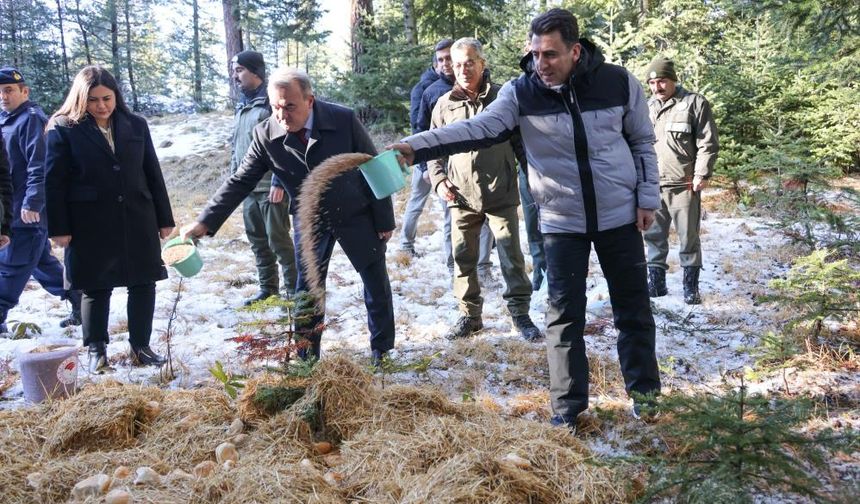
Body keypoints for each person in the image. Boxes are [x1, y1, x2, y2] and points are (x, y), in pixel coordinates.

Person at [389, 8, 662, 428]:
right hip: (560, 221)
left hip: (619, 216)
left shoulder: (617, 82)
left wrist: (646, 199)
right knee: (563, 317)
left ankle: (646, 396)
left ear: (575, 50)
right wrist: (416, 146)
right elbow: (475, 129)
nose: (541, 64)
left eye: (550, 54)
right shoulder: (521, 93)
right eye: (535, 54)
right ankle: (568, 408)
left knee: (634, 310)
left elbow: (643, 142)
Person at [181, 68, 396, 364]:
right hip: (310, 221)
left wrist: (384, 219)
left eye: (289, 106)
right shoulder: (266, 133)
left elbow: (374, 166)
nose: (281, 115)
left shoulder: (343, 119)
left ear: (310, 100)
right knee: (307, 290)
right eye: (275, 106)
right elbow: (241, 180)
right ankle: (306, 358)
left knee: (375, 282)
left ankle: (382, 351)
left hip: (355, 211)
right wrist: (205, 221)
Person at [45, 65, 175, 373]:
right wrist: (59, 228)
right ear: (81, 99)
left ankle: (140, 346)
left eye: (107, 98)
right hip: (89, 220)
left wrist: (163, 217)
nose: (101, 106)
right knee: (95, 285)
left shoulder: (135, 124)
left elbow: (152, 172)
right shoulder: (63, 127)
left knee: (144, 282)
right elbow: (54, 181)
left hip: (137, 215)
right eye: (93, 100)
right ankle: (96, 349)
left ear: (116, 95)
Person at [427, 38, 540, 342]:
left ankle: (520, 315)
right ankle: (470, 316)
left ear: (482, 63)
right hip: (460, 195)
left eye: (470, 62)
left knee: (511, 257)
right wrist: (439, 181)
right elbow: (434, 150)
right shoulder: (444, 104)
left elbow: (521, 143)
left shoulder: (503, 98)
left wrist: (533, 177)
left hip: (499, 191)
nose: (463, 69)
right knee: (463, 257)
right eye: (458, 63)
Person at [0, 67, 81, 335]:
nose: (3, 96)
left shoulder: (31, 120)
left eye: (9, 90)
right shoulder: (7, 120)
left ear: (24, 91)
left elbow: (40, 165)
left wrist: (32, 202)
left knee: (12, 264)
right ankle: (80, 301)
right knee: (40, 262)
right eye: (0, 91)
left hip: (27, 212)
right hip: (12, 209)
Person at [413, 39, 494, 279]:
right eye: (444, 60)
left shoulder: (495, 92)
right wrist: (429, 170)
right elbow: (423, 131)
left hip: (489, 175)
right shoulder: (430, 93)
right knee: (452, 220)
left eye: (454, 59)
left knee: (487, 222)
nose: (451, 65)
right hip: (450, 171)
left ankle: (484, 266)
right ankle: (454, 265)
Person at [643, 57, 718, 305]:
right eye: (652, 82)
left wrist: (701, 174)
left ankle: (690, 287)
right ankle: (656, 284)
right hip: (653, 184)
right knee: (653, 236)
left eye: (662, 81)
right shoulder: (647, 106)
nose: (657, 87)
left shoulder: (694, 103)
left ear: (673, 79)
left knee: (688, 238)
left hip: (684, 184)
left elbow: (707, 143)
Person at [229, 51, 297, 305]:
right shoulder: (242, 106)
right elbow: (236, 146)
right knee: (258, 242)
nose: (235, 76)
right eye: (235, 71)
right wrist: (234, 183)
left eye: (239, 70)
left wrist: (280, 181)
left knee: (278, 241)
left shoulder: (271, 103)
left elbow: (284, 143)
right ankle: (268, 290)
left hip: (271, 186)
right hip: (248, 188)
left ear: (255, 72)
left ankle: (294, 294)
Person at [399, 39, 447, 258]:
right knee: (417, 200)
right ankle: (405, 246)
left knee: (447, 208)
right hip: (424, 154)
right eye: (441, 60)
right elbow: (417, 126)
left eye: (449, 59)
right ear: (435, 63)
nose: (445, 64)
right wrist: (424, 164)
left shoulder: (454, 84)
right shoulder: (423, 89)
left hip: (445, 154)